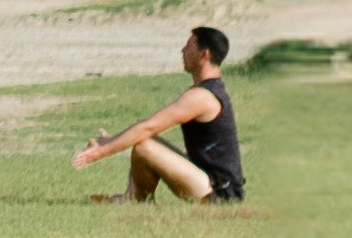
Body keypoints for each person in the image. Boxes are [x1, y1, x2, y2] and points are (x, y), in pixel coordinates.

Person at [76, 23, 246, 206]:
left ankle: (135, 200)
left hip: (221, 194)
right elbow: (148, 128)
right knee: (147, 142)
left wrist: (102, 151)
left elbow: (149, 126)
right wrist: (109, 141)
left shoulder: (201, 97)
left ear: (204, 54)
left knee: (144, 145)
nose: (183, 50)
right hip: (215, 185)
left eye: (189, 46)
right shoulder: (208, 91)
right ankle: (134, 200)